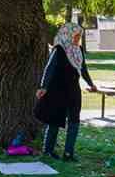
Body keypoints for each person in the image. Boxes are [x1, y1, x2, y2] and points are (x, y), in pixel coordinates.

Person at [36, 22, 97, 161]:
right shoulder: (59, 49)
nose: (77, 39)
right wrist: (43, 87)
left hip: (73, 90)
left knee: (74, 121)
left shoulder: (78, 50)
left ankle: (69, 153)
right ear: (68, 34)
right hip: (57, 90)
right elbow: (49, 68)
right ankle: (48, 150)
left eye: (79, 36)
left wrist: (91, 84)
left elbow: (83, 69)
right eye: (76, 36)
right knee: (55, 120)